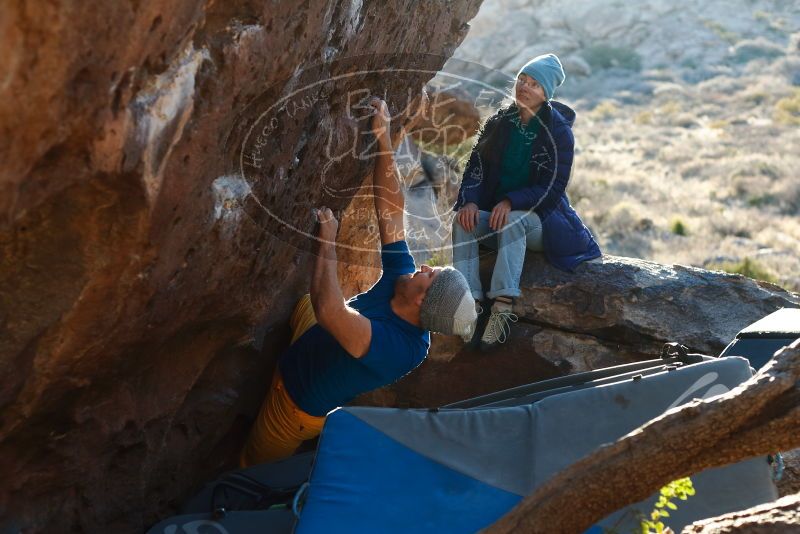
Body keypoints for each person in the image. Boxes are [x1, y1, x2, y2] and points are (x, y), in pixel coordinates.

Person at [240, 97, 477, 467]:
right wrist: (383, 137)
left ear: (422, 303)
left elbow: (331, 310)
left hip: (293, 403)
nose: (428, 267)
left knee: (249, 469)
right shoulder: (404, 281)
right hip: (318, 335)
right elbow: (390, 210)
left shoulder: (400, 349)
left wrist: (327, 241)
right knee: (302, 305)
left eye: (433, 276)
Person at [452, 53, 601, 351]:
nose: (525, 87)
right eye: (522, 79)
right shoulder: (499, 121)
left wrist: (510, 200)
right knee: (461, 221)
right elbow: (475, 167)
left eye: (534, 84)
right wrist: (469, 200)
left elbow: (553, 188)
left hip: (539, 222)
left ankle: (502, 308)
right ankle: (471, 304)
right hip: (497, 217)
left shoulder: (558, 133)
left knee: (512, 218)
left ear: (546, 93)